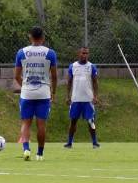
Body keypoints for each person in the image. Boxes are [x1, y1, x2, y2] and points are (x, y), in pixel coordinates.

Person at [14, 26, 58, 161]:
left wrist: (25, 86)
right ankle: (40, 153)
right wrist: (53, 92)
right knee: (41, 124)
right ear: (43, 38)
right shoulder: (50, 53)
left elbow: (16, 76)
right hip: (43, 92)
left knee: (26, 123)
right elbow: (55, 76)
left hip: (27, 93)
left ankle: (26, 149)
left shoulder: (22, 52)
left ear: (30, 37)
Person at [65, 46, 100, 148]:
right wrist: (68, 96)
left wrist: (96, 96)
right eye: (83, 53)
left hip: (88, 99)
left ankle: (94, 142)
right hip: (75, 99)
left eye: (87, 53)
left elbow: (95, 82)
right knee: (73, 121)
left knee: (91, 121)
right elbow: (69, 82)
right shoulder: (73, 66)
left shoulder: (91, 66)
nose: (85, 55)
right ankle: (69, 143)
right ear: (79, 54)